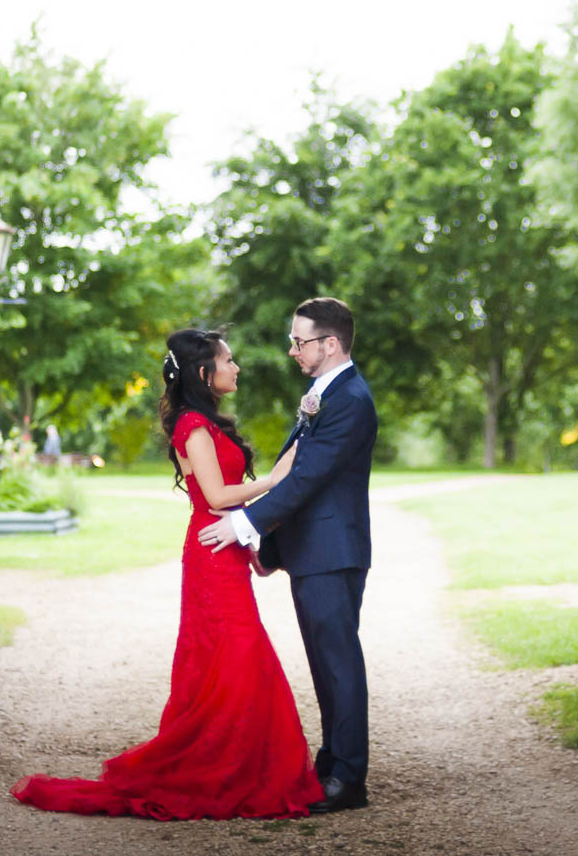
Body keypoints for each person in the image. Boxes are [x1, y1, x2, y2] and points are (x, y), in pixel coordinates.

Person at [10, 328, 322, 820]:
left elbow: (231, 495)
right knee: (237, 655)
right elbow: (218, 497)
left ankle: (240, 765)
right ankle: (221, 768)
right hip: (210, 556)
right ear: (204, 372)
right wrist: (276, 479)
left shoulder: (211, 424)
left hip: (226, 549)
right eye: (228, 360)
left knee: (233, 659)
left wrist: (283, 475)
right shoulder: (193, 426)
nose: (236, 367)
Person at [198, 296, 376, 814]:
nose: (292, 350)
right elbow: (293, 473)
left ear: (331, 344)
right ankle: (334, 760)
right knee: (325, 663)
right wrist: (271, 545)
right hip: (313, 550)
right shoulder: (324, 392)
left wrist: (245, 524)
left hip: (332, 551)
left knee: (339, 663)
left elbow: (309, 478)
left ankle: (349, 777)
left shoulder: (350, 399)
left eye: (300, 342)